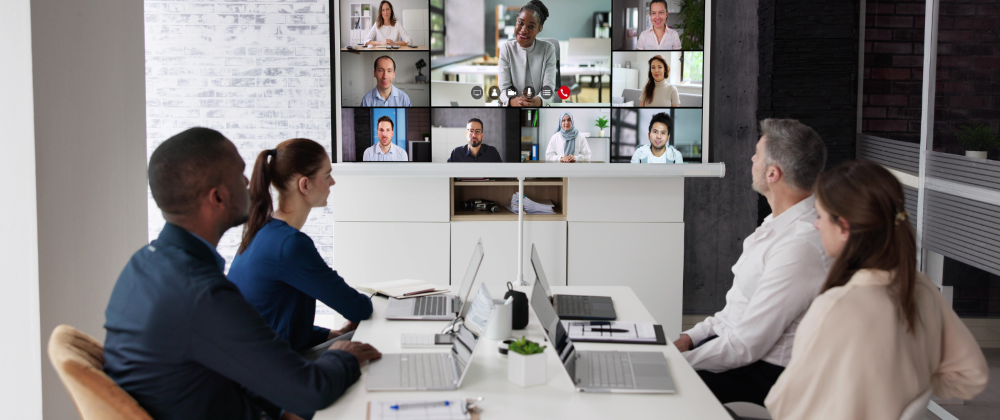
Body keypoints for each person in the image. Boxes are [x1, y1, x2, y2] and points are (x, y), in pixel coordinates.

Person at [103, 127, 382, 420]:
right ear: (218, 198)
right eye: (240, 175)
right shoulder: (201, 294)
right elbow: (311, 390)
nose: (249, 182)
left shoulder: (143, 266)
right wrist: (344, 354)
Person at [764, 160, 989, 419]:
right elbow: (970, 376)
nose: (816, 225)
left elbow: (784, 406)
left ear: (845, 227)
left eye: (820, 216)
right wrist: (908, 387)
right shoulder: (923, 289)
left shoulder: (836, 307)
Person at [673, 118, 832, 406]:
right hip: (736, 352)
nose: (751, 158)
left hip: (763, 374)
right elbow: (736, 310)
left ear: (773, 174)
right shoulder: (777, 224)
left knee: (653, 390)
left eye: (757, 154)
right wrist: (690, 338)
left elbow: (747, 345)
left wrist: (677, 363)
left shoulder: (800, 247)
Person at [228, 139, 374, 356]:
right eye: (327, 175)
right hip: (272, 375)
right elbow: (358, 308)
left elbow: (269, 319)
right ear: (305, 185)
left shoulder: (261, 231)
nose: (332, 182)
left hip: (254, 365)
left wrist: (328, 335)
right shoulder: (290, 245)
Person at [498, 0, 557, 107]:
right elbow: (504, 88)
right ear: (516, 22)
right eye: (520, 23)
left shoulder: (548, 49)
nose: (524, 30)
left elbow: (548, 88)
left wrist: (538, 101)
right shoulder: (506, 48)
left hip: (538, 108)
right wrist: (515, 101)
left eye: (531, 26)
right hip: (513, 108)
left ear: (539, 29)